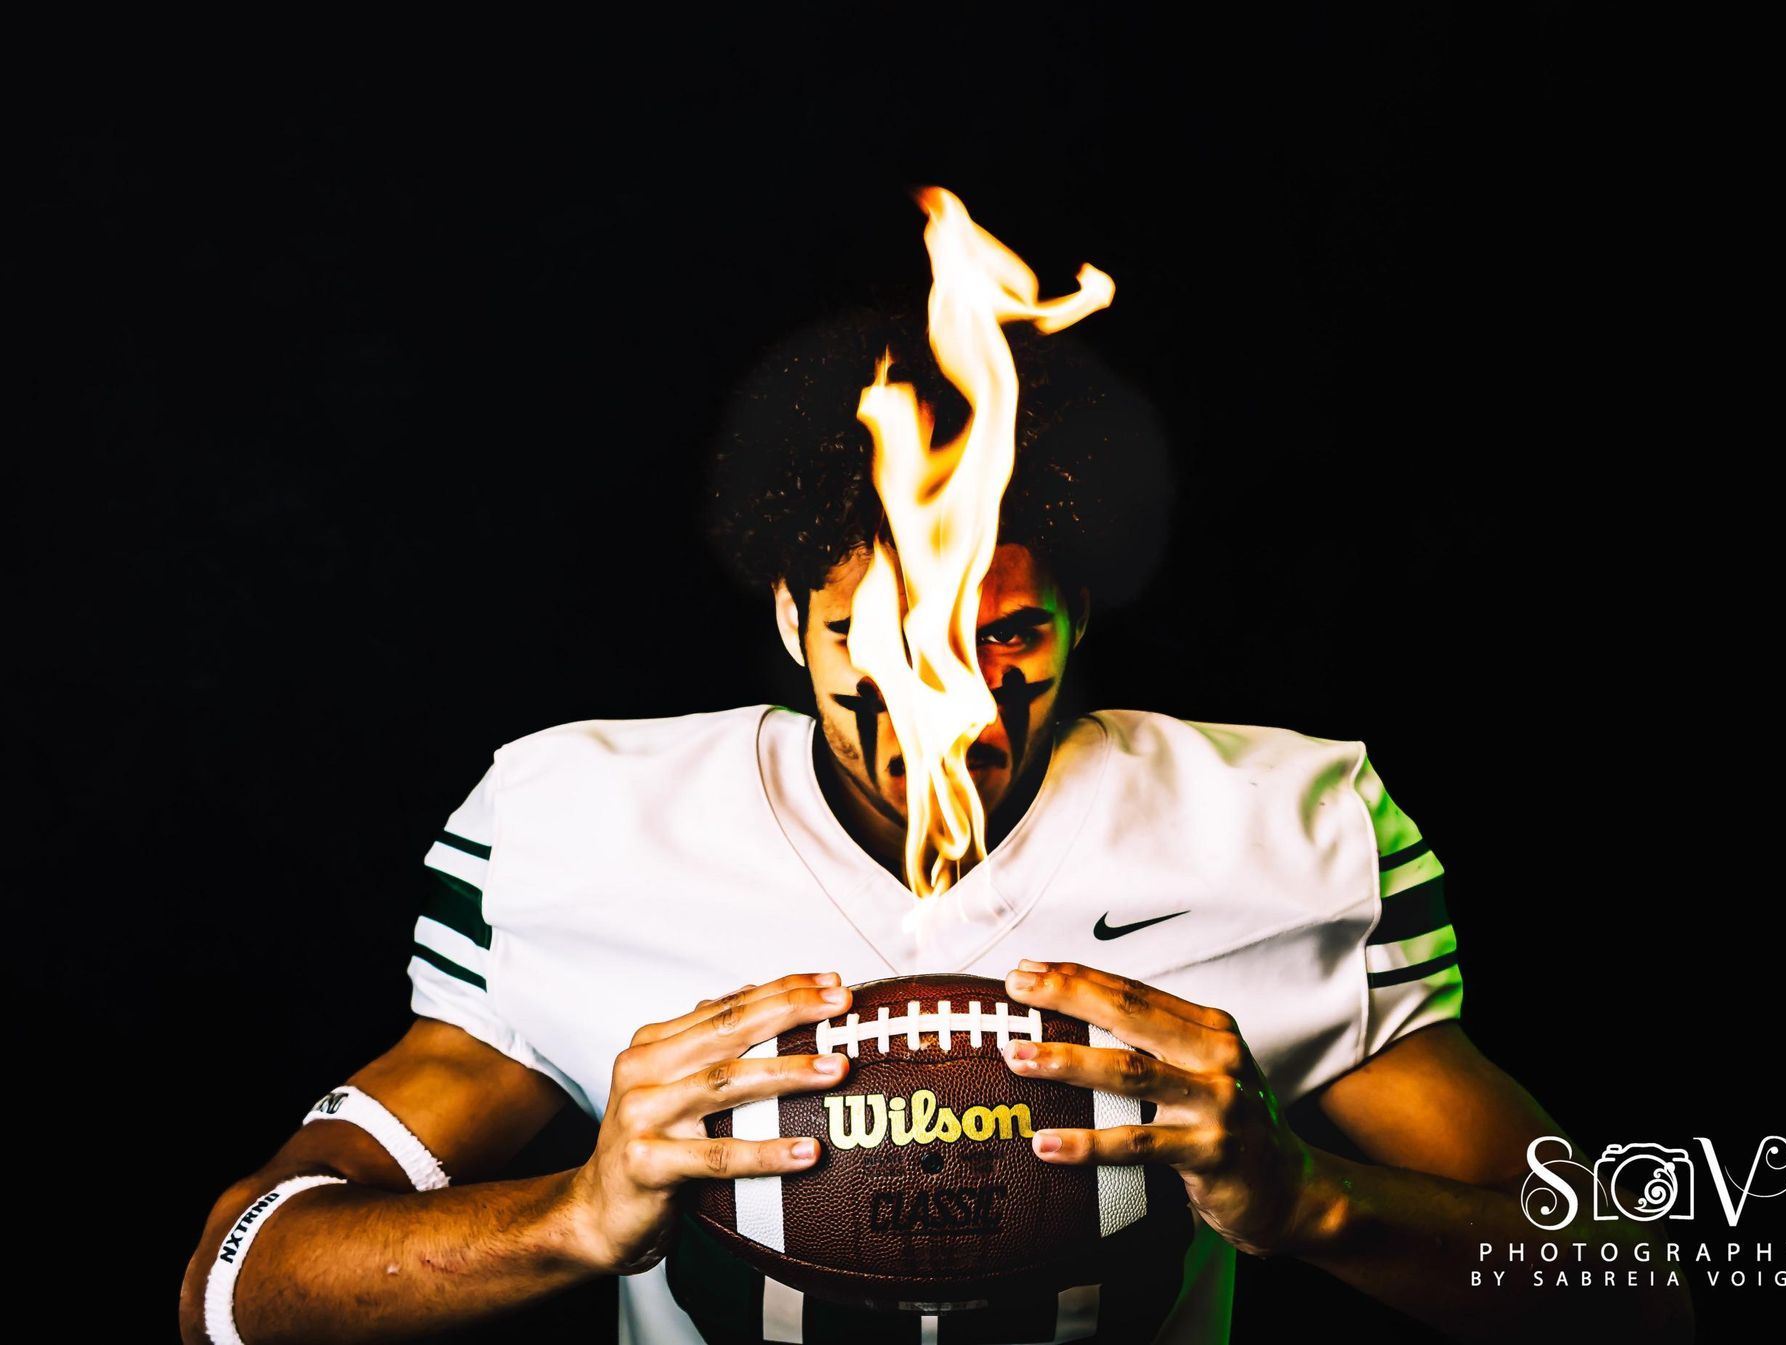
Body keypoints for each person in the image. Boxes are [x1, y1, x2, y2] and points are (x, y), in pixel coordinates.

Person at [179, 298, 1694, 1345]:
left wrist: (1312, 1198)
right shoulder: (579, 825)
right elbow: (234, 1292)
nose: (949, 704)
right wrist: (574, 1216)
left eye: (1005, 636)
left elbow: (1642, 1297)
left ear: (1077, 609)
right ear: (789, 619)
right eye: (886, 639)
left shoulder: (1276, 831)